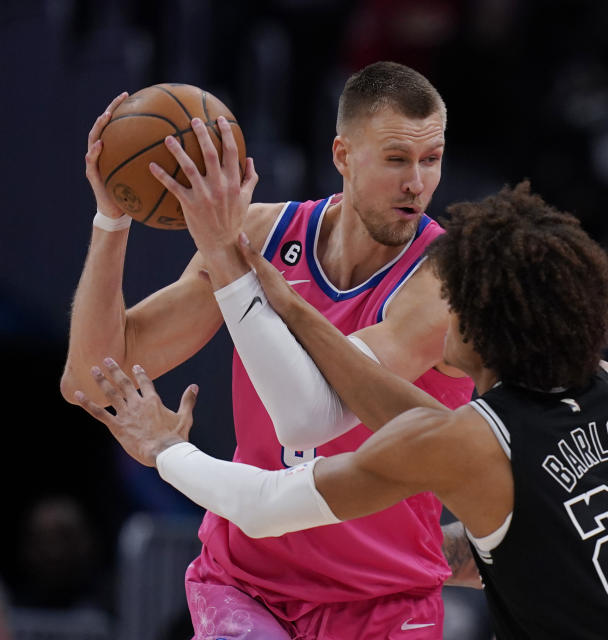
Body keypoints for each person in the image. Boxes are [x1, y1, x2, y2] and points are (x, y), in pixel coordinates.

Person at [75, 182, 608, 639]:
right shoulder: (604, 391)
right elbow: (397, 410)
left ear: (482, 319)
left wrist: (165, 448)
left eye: (453, 296)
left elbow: (265, 503)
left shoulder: (466, 442)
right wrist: (293, 307)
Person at [60, 62, 476, 638]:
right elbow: (89, 380)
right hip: (246, 584)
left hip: (380, 599)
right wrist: (113, 218)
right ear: (343, 155)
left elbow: (314, 413)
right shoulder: (259, 234)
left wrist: (226, 259)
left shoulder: (445, 279)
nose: (417, 183)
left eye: (431, 160)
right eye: (397, 159)